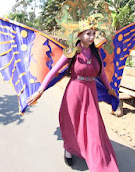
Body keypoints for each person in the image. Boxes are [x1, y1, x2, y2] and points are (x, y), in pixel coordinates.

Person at [27, 21, 119, 171]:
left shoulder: (96, 52)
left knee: (93, 128)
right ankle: (69, 149)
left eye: (93, 34)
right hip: (74, 93)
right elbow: (54, 71)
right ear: (80, 34)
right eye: (88, 33)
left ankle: (99, 162)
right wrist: (40, 90)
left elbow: (101, 72)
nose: (91, 37)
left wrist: (110, 88)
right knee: (72, 124)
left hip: (90, 94)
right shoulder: (72, 51)